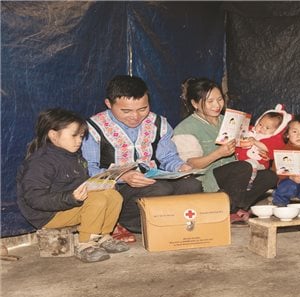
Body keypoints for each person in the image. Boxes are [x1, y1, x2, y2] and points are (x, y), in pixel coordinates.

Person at [81, 75, 203, 241]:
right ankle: (122, 221)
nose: (135, 116)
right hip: (117, 189)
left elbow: (168, 157)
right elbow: (90, 170)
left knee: (192, 184)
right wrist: (123, 177)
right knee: (160, 189)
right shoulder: (92, 128)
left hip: (151, 180)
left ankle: (170, 222)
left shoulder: (158, 123)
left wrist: (180, 167)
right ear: (109, 104)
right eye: (126, 111)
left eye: (142, 109)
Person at [17, 108, 129, 263]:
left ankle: (103, 237)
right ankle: (86, 244)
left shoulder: (74, 156)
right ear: (53, 135)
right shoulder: (41, 162)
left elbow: (81, 183)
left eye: (81, 136)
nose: (79, 141)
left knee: (113, 195)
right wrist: (71, 197)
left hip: (69, 206)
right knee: (96, 200)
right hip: (48, 215)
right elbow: (34, 198)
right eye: (74, 135)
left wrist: (102, 184)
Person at [172, 77, 278, 225]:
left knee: (270, 176)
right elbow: (193, 164)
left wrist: (255, 149)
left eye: (220, 99)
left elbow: (247, 145)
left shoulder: (229, 120)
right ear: (195, 103)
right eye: (210, 101)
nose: (217, 105)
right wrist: (219, 153)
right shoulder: (185, 129)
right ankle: (230, 210)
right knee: (242, 167)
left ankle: (238, 206)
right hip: (208, 177)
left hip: (236, 176)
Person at [235, 104, 292, 189]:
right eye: (260, 124)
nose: (262, 128)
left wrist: (255, 142)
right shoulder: (251, 130)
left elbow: (268, 148)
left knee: (251, 165)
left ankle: (249, 182)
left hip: (258, 164)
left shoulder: (273, 140)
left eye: (267, 128)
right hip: (240, 160)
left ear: (276, 131)